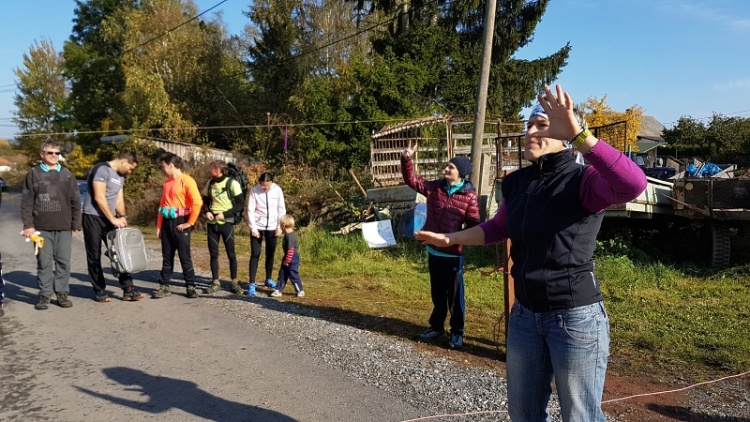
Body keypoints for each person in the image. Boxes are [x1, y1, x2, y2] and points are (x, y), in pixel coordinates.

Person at [415, 84, 648, 421]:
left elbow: (633, 184)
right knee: (523, 414)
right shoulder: (518, 182)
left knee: (579, 416)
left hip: (574, 318)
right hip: (525, 316)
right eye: (529, 125)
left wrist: (581, 136)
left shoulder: (583, 180)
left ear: (565, 134)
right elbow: (498, 228)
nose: (530, 132)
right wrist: (448, 239)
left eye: (542, 125)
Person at [401, 141, 480, 350]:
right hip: (433, 250)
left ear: (460, 173)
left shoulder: (469, 196)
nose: (446, 169)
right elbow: (412, 180)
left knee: (454, 297)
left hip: (453, 255)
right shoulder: (436, 187)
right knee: (437, 294)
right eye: (447, 165)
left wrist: (457, 238)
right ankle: (436, 327)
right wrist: (407, 158)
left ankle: (457, 332)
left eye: (450, 167)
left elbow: (474, 225)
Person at [21, 139, 82, 310]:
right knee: (44, 262)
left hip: (64, 227)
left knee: (63, 262)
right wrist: (28, 225)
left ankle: (62, 293)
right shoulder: (33, 173)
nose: (54, 156)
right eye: (50, 152)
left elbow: (76, 200)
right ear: (42, 154)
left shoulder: (67, 174)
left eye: (57, 153)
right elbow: (27, 201)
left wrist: (76, 222)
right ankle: (45, 294)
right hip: (40, 228)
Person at [82, 152, 142, 302]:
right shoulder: (101, 169)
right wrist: (113, 219)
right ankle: (100, 290)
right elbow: (99, 197)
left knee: (119, 252)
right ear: (124, 161)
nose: (130, 172)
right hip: (93, 217)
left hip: (111, 219)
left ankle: (128, 288)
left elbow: (118, 200)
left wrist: (122, 216)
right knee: (94, 255)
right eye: (130, 168)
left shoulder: (120, 177)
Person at [153, 152, 203, 299]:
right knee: (167, 256)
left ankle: (190, 286)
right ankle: (164, 286)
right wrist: (159, 226)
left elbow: (197, 202)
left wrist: (190, 222)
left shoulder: (187, 181)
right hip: (167, 222)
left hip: (181, 221)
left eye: (163, 166)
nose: (162, 169)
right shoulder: (167, 183)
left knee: (184, 256)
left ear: (171, 165)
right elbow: (162, 205)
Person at [202, 161, 244, 294]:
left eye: (212, 168)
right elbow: (204, 201)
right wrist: (207, 212)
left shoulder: (232, 183)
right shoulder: (210, 183)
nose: (210, 170)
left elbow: (240, 204)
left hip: (226, 223)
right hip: (212, 224)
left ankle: (234, 283)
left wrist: (224, 214)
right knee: (213, 254)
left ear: (219, 169)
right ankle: (215, 282)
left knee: (231, 254)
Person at [246, 172, 286, 296]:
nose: (266, 189)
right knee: (255, 254)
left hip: (273, 227)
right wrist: (253, 228)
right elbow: (250, 210)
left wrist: (279, 227)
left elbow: (281, 209)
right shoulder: (254, 191)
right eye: (263, 186)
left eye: (268, 186)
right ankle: (252, 283)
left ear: (272, 183)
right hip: (258, 226)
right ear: (260, 183)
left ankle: (268, 278)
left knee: (270, 254)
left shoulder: (277, 190)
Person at [269, 214, 304, 298]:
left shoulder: (290, 236)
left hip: (292, 257)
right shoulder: (287, 234)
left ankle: (300, 290)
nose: (280, 226)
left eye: (280, 224)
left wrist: (287, 261)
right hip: (287, 256)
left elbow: (291, 250)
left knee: (292, 273)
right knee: (282, 273)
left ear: (283, 225)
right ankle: (278, 289)